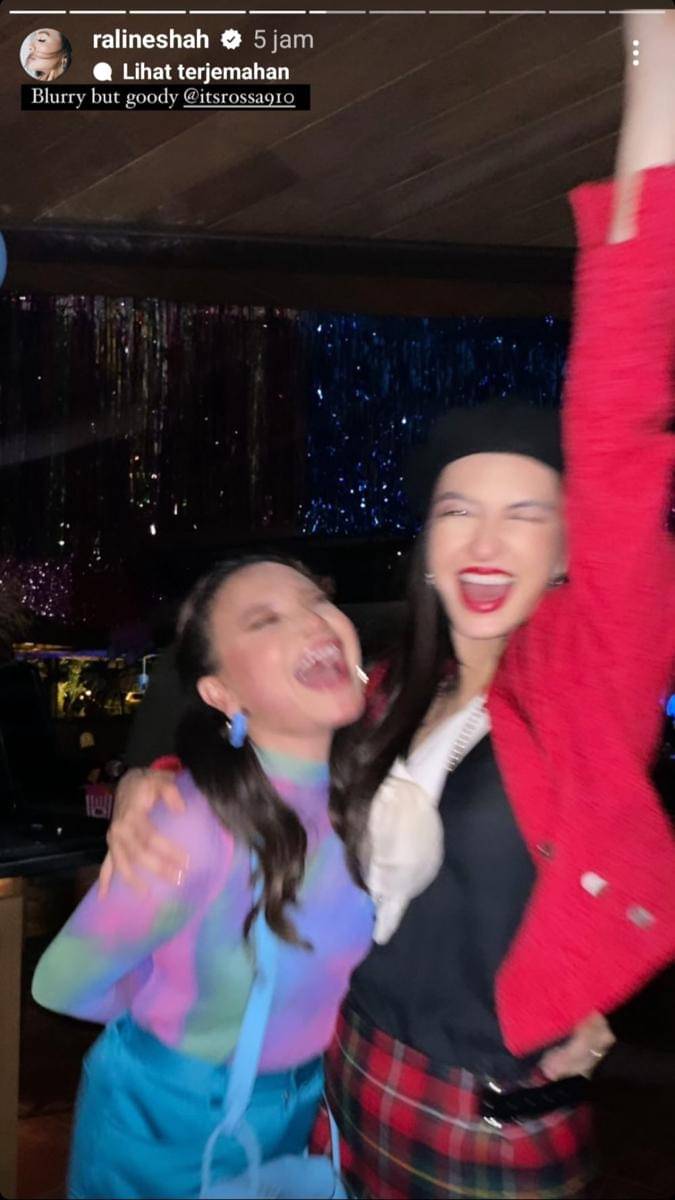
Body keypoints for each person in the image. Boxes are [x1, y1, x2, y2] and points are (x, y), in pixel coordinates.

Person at [100, 12, 675, 1198]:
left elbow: (623, 398)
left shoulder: (589, 686)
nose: (486, 539)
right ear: (427, 543)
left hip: (489, 1126)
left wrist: (653, 45)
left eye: (526, 513)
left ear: (574, 548)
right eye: (459, 509)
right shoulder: (387, 694)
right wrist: (151, 788)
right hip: (343, 1081)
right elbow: (243, 739)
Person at [32, 557, 375, 1199]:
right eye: (266, 620)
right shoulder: (191, 823)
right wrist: (175, 1014)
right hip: (168, 1120)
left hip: (301, 1105)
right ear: (222, 694)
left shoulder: (366, 795)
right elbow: (61, 982)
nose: (313, 622)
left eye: (316, 600)